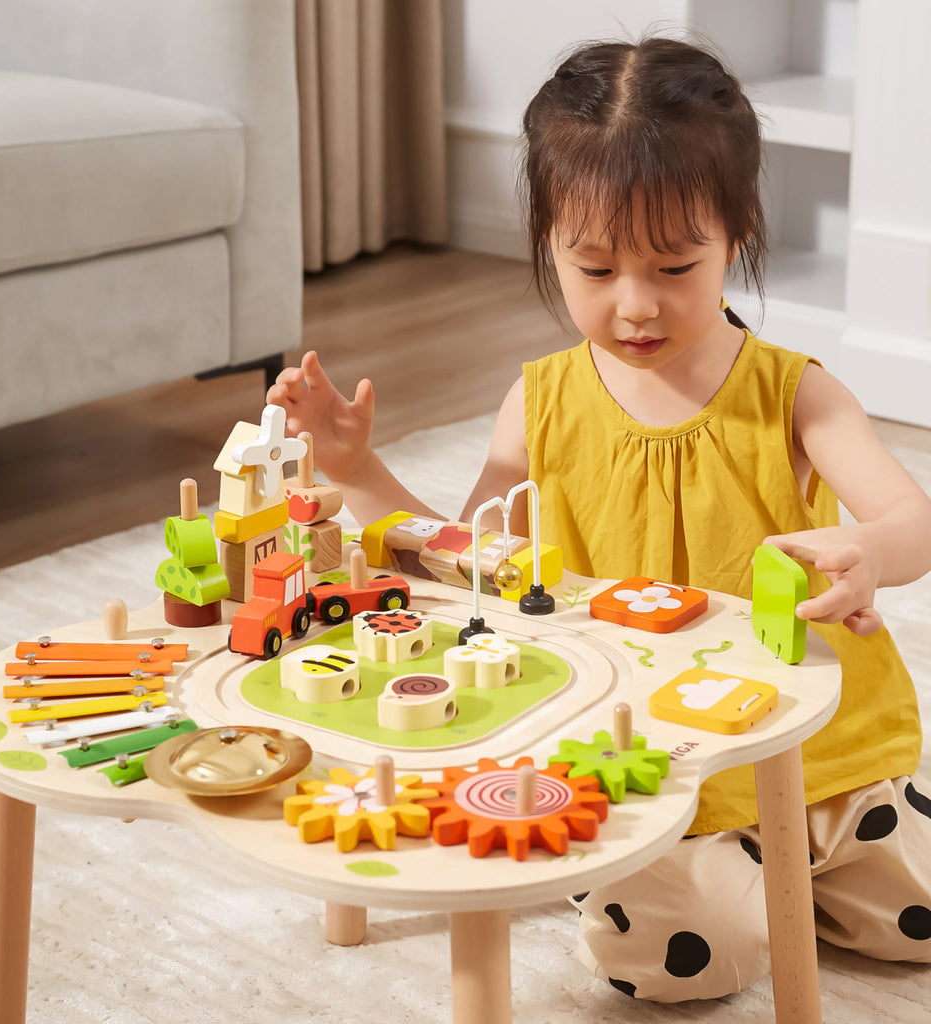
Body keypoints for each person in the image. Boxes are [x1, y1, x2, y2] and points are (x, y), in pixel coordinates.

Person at [268, 36, 931, 1001]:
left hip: (815, 750)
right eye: (594, 267)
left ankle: (787, 867)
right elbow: (467, 562)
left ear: (737, 234)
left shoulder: (796, 394)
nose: (634, 305)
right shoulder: (537, 403)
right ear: (548, 247)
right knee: (687, 964)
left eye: (674, 266)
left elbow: (915, 521)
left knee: (919, 925)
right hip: (637, 757)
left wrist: (868, 550)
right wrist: (356, 468)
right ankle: (698, 875)